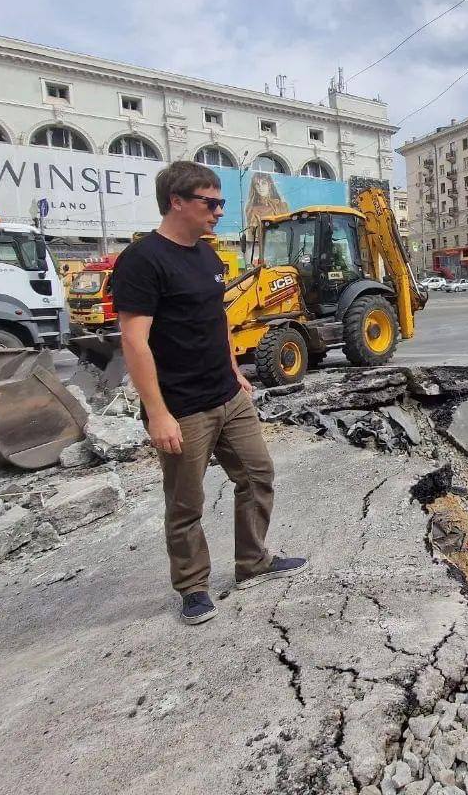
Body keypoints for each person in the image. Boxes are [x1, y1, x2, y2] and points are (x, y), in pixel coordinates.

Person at [112, 162, 307, 626]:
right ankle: (193, 587)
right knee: (185, 503)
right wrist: (157, 414)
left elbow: (218, 318)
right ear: (177, 201)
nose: (220, 211)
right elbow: (134, 341)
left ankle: (253, 561)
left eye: (221, 202)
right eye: (210, 202)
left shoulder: (207, 256)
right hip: (181, 408)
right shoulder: (142, 261)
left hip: (227, 394)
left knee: (258, 476)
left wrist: (233, 370)